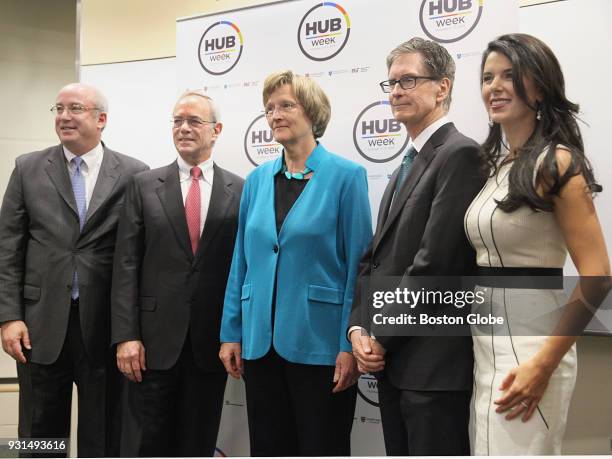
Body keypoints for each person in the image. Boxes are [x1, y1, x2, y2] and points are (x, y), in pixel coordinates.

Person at [464, 33, 610, 455]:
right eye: (488, 77)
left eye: (510, 75)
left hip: (532, 350)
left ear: (540, 86)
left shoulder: (558, 162)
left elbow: (598, 276)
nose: (495, 86)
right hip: (486, 344)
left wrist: (544, 364)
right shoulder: (497, 165)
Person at [219, 70, 372, 456]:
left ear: (313, 112)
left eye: (286, 105)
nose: (275, 115)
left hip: (320, 345)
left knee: (322, 445)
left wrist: (347, 343)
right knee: (268, 447)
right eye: (269, 108)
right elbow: (241, 262)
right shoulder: (255, 181)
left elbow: (359, 265)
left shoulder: (346, 176)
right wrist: (231, 332)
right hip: (259, 344)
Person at [348, 37, 486, 456]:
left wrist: (380, 337)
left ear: (442, 87)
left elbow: (435, 265)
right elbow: (373, 259)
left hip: (432, 367)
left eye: (408, 80)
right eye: (390, 83)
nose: (395, 92)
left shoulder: (460, 154)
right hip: (392, 363)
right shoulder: (405, 164)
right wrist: (358, 327)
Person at [0, 83, 148, 457]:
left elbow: (137, 256)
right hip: (39, 325)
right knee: (37, 432)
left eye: (75, 108)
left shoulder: (134, 174)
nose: (64, 117)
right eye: (58, 109)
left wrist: (131, 328)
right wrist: (9, 316)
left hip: (103, 326)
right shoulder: (28, 168)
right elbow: (7, 248)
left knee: (105, 432)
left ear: (101, 120)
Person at [110, 91, 243, 457]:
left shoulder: (241, 190)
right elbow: (125, 265)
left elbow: (241, 268)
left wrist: (236, 333)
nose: (183, 128)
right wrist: (125, 336)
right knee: (145, 445)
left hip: (209, 342)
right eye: (177, 120)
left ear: (216, 130)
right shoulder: (143, 185)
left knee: (197, 444)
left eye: (194, 121)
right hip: (150, 346)